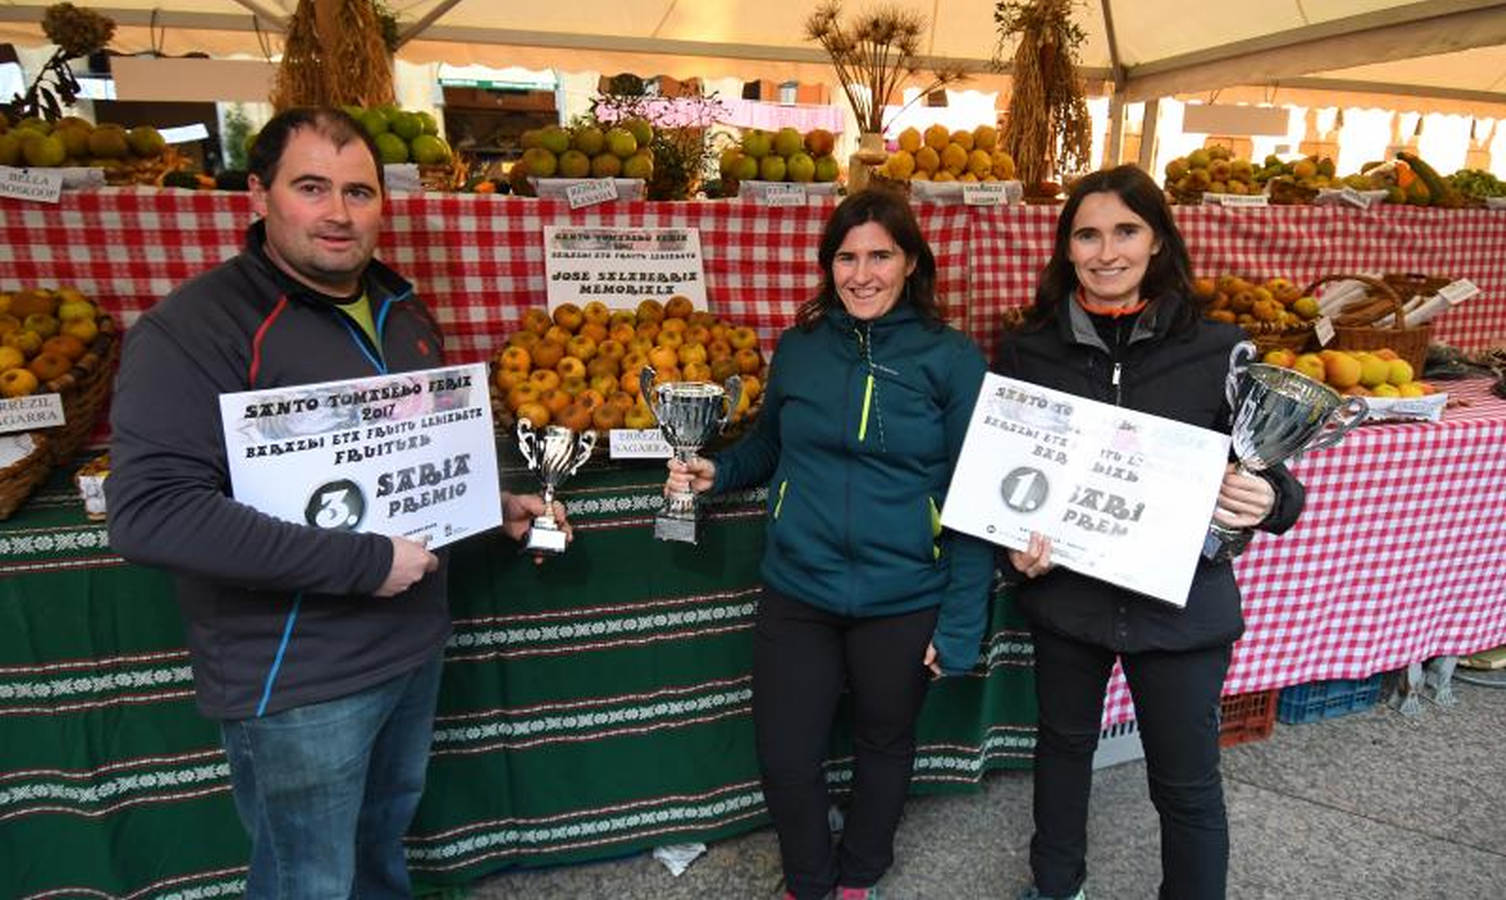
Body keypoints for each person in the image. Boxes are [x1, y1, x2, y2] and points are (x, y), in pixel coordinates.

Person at [106, 107, 564, 898]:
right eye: (311, 187)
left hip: (410, 649)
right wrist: (362, 562)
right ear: (258, 194)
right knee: (307, 881)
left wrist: (492, 505)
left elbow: (395, 469)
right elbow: (151, 511)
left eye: (359, 192)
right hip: (299, 682)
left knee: (381, 852)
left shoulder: (401, 311)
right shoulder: (193, 328)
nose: (338, 213)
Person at [664, 188, 993, 900]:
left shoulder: (953, 360)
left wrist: (962, 621)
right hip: (799, 589)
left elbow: (976, 497)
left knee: (884, 743)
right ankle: (809, 881)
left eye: (880, 255)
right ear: (828, 265)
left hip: (904, 595)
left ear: (911, 262)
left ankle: (861, 874)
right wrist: (716, 470)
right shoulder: (803, 347)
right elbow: (769, 447)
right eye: (847, 256)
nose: (862, 273)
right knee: (786, 754)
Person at [995, 165, 1306, 900]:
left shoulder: (1222, 349)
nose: (1107, 252)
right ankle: (1054, 885)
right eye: (1088, 234)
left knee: (1187, 782)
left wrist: (1266, 498)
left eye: (1126, 231)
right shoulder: (1028, 350)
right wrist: (1014, 548)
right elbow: (1007, 477)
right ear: (1065, 248)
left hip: (1182, 610)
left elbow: (1280, 482)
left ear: (1159, 239)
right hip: (1068, 600)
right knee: (1063, 750)